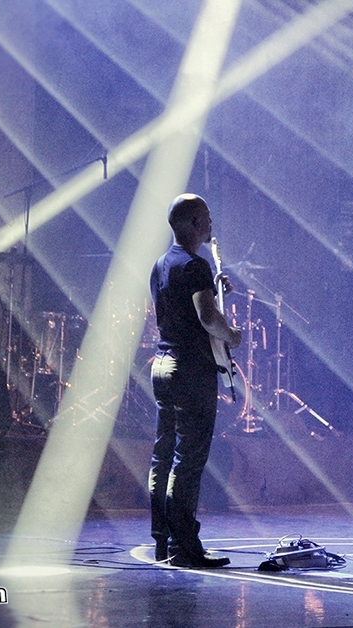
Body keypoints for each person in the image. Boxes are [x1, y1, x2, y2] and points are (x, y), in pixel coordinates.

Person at [149, 193, 242, 568]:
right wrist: (231, 334)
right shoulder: (196, 265)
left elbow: (179, 308)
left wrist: (214, 291)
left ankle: (163, 539)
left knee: (163, 455)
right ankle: (184, 546)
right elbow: (206, 318)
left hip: (163, 363)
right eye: (205, 217)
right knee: (187, 460)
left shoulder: (162, 263)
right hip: (190, 369)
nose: (210, 224)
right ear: (192, 223)